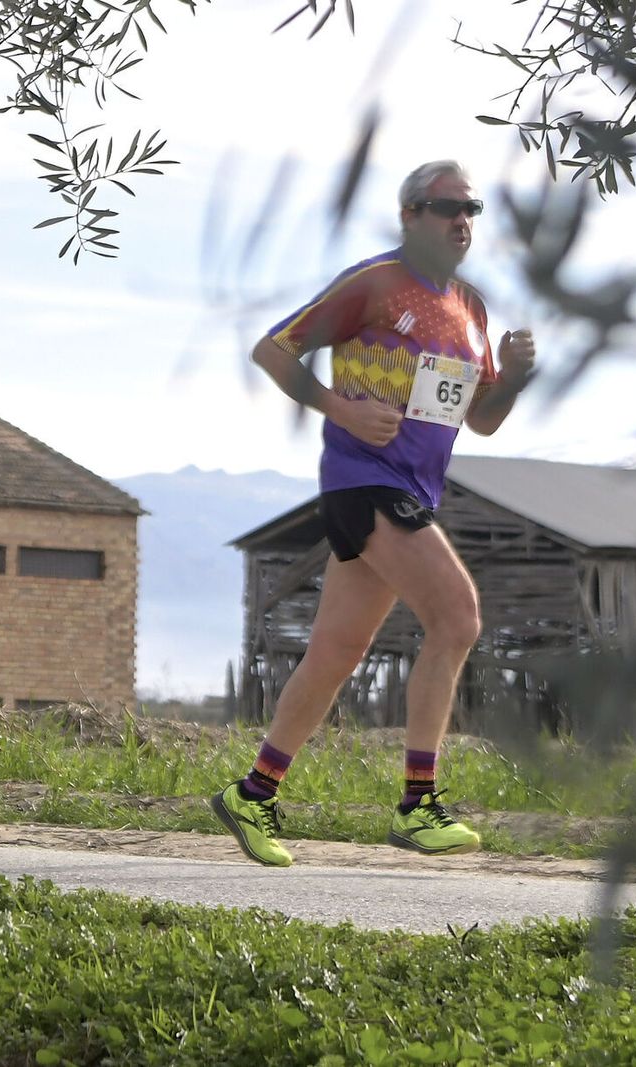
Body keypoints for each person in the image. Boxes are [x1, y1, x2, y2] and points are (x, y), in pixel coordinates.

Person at [211, 160, 537, 867]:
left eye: (471, 208)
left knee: (335, 654)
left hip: (413, 490)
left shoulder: (472, 308)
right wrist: (341, 408)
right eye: (446, 206)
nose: (462, 220)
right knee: (458, 616)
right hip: (364, 481)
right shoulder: (376, 284)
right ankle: (419, 805)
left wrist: (511, 380)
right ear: (409, 215)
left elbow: (481, 420)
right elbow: (274, 348)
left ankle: (251, 792)